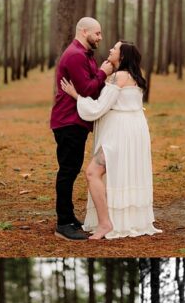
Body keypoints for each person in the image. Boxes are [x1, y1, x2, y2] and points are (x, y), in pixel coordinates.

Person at [59, 41, 161, 240]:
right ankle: (124, 219)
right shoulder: (135, 77)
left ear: (121, 57)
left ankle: (105, 223)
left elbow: (98, 108)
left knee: (92, 172)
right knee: (120, 172)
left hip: (119, 133)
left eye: (114, 49)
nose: (110, 50)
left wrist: (76, 96)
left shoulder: (118, 77)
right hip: (135, 130)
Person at [49, 17, 117, 241]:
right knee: (67, 171)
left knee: (72, 169)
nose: (100, 37)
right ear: (84, 31)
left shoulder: (84, 55)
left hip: (76, 121)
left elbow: (91, 89)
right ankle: (63, 223)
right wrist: (104, 72)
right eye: (97, 33)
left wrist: (99, 74)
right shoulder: (76, 55)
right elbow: (88, 89)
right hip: (68, 121)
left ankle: (68, 218)